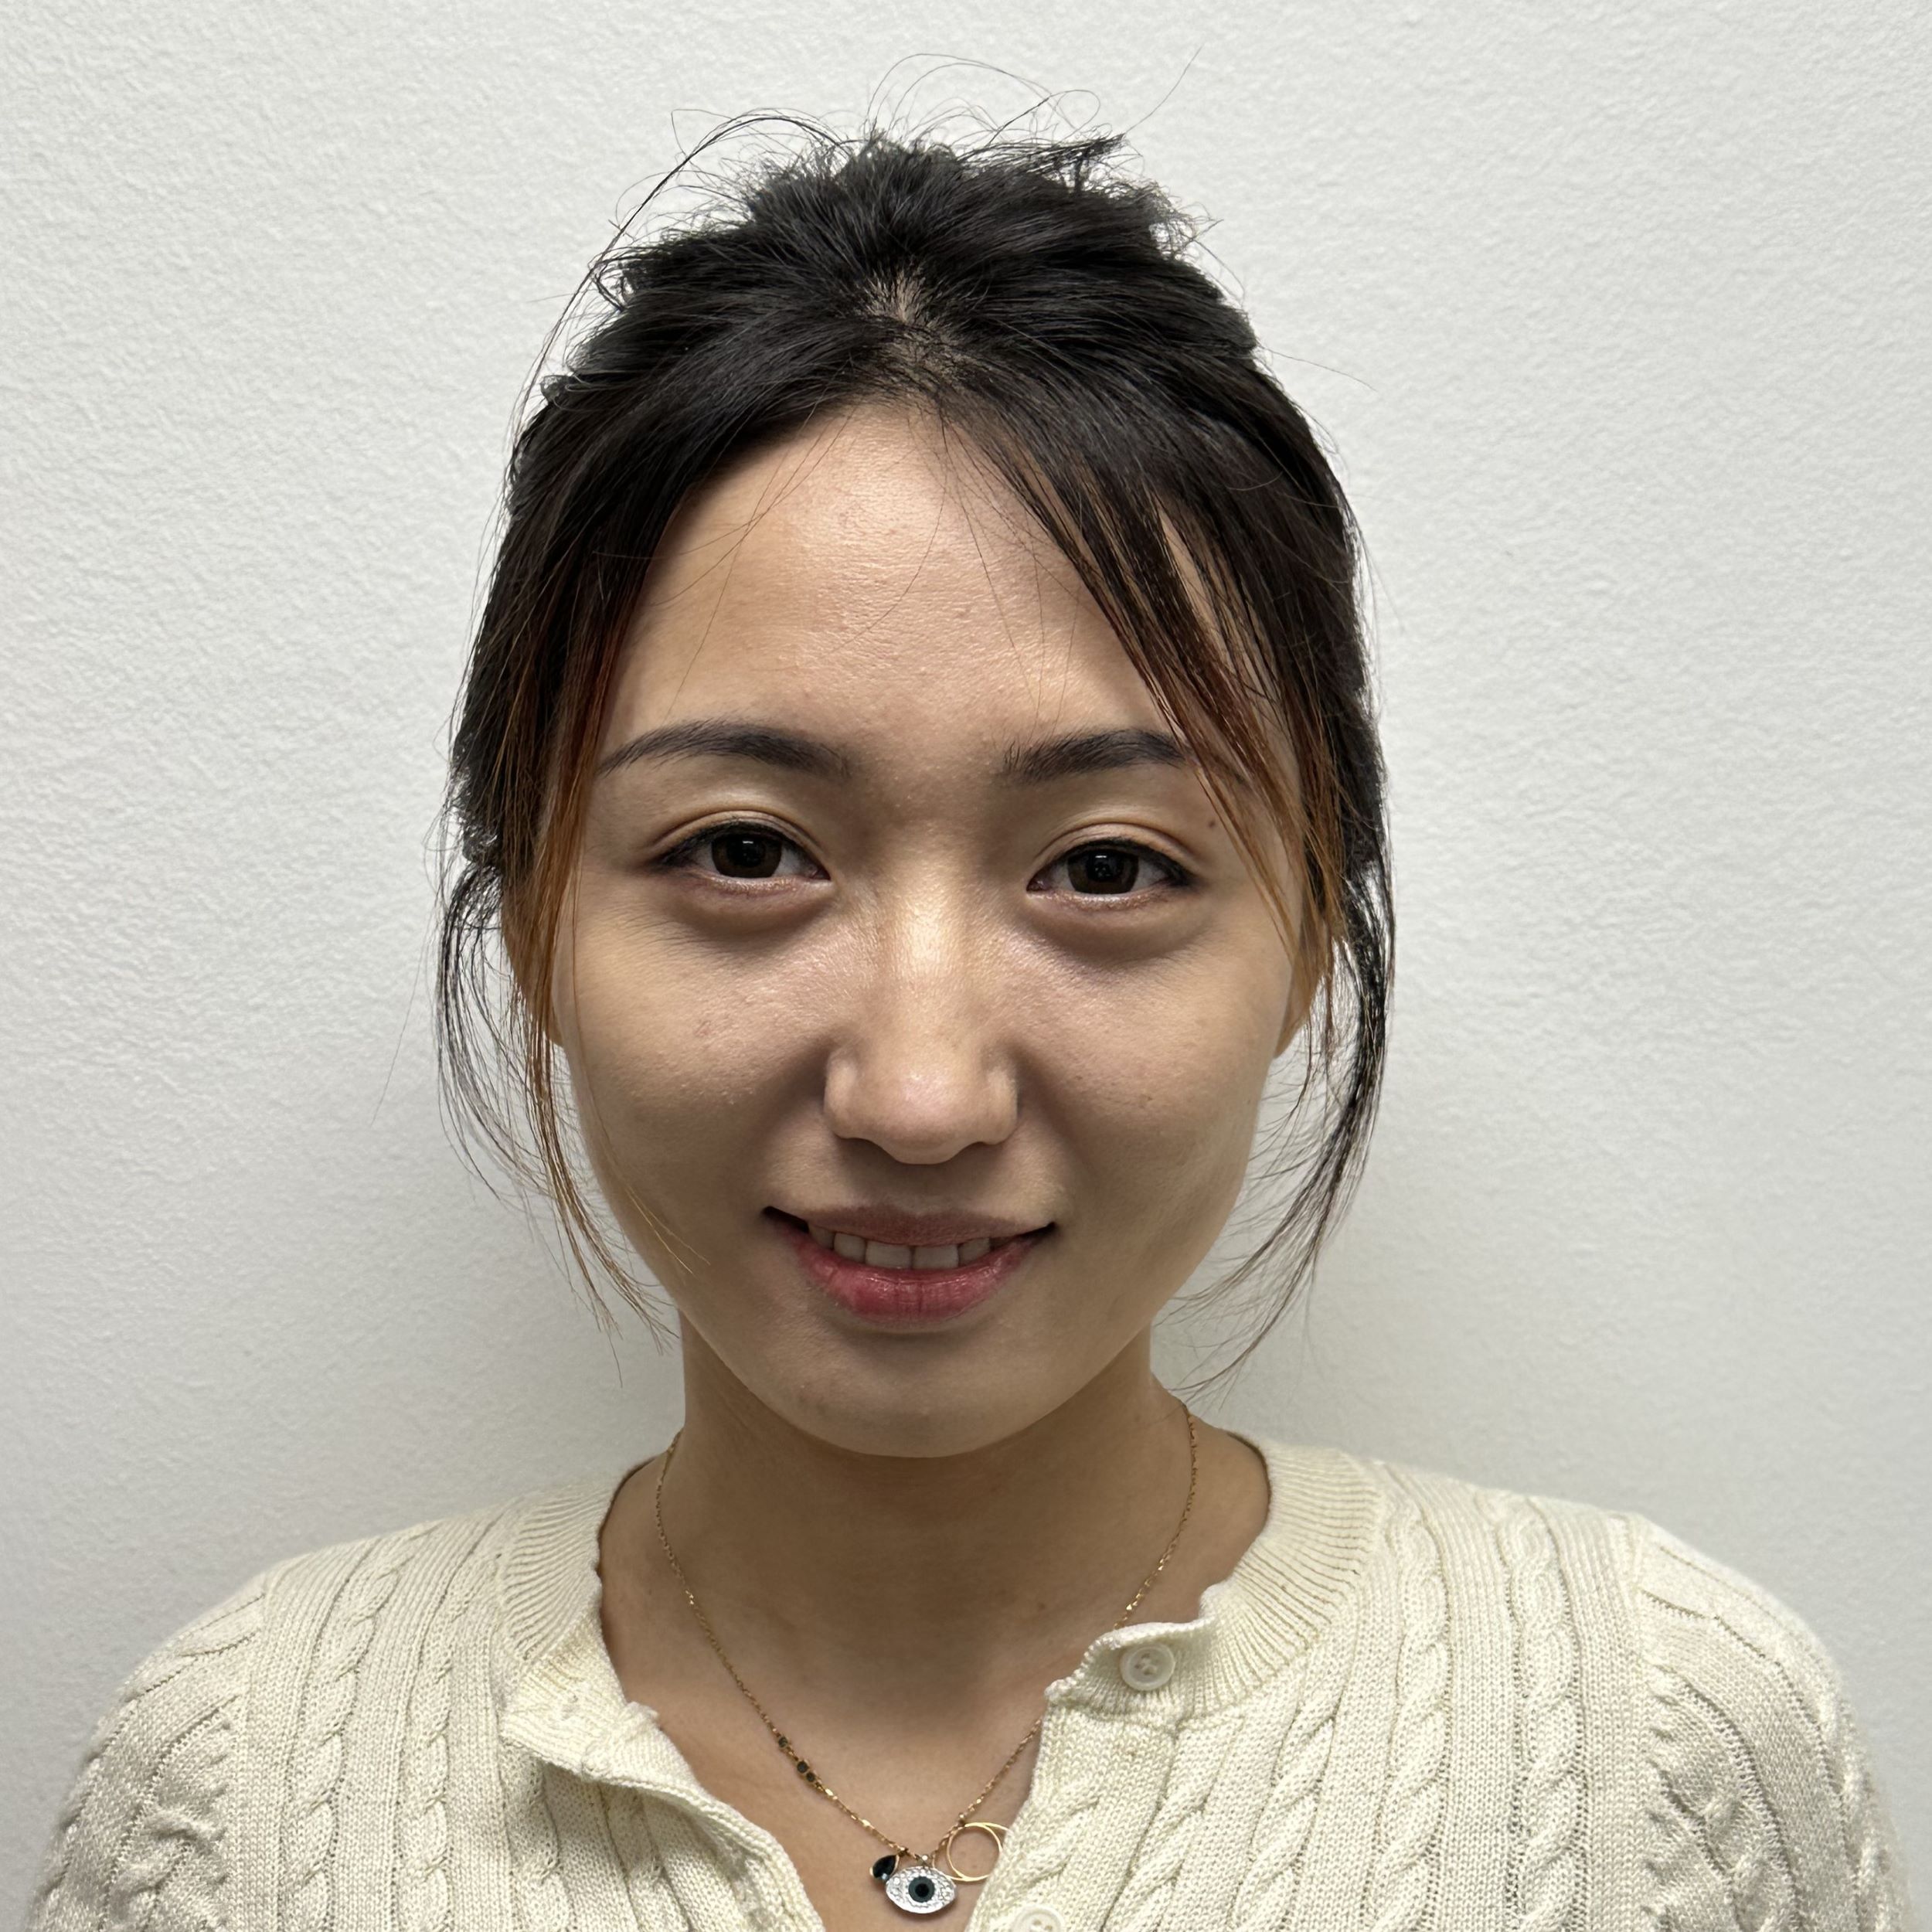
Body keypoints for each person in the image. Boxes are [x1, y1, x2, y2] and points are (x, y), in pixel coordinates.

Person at [29, 123, 1915, 1932]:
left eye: (1104, 866)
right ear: (532, 917)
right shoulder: (243, 1783)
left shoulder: (1651, 1748)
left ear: (1306, 937)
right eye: (744, 849)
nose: (919, 1095)